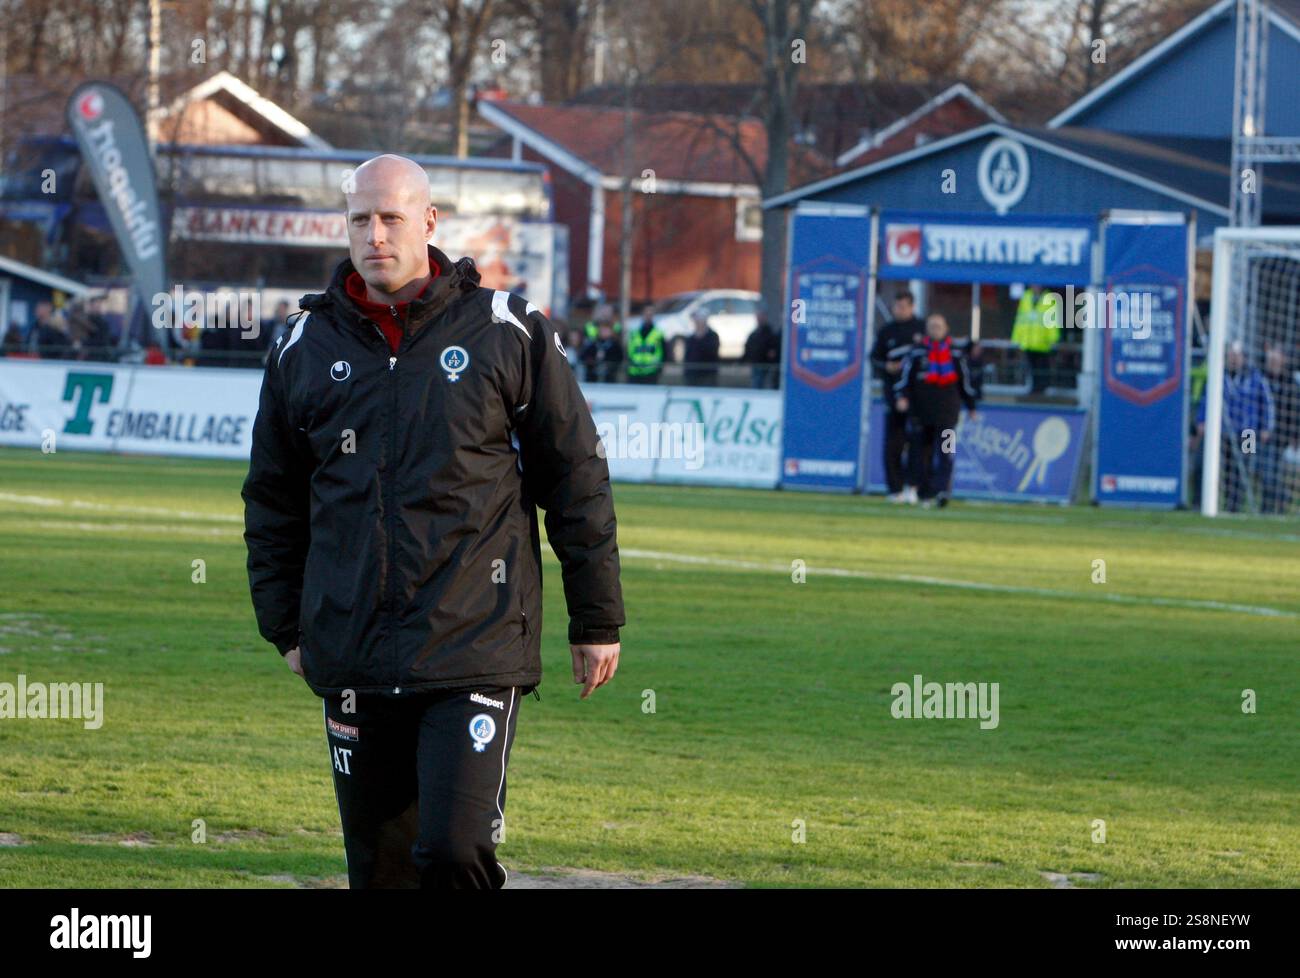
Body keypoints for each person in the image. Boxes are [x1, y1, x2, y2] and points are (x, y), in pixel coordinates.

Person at [241, 154, 624, 890]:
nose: (374, 234)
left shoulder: (507, 330)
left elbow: (576, 480)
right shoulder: (302, 346)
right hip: (351, 650)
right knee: (379, 872)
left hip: (472, 646)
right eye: (359, 219)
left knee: (451, 853)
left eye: (390, 217)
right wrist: (286, 626)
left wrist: (596, 618)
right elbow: (273, 501)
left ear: (428, 221)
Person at [893, 313, 978, 508]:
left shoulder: (956, 354)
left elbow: (966, 384)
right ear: (927, 329)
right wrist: (902, 397)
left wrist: (972, 407)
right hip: (921, 414)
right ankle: (919, 489)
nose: (935, 330)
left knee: (947, 452)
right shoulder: (917, 353)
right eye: (932, 326)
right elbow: (904, 379)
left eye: (939, 326)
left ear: (946, 328)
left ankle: (942, 490)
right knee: (919, 452)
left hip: (948, 415)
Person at [1195, 341, 1273, 513]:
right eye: (1231, 356)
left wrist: (1266, 426)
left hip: (1248, 432)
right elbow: (1205, 399)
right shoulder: (1218, 376)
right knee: (1216, 466)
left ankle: (1235, 506)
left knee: (1244, 469)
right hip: (1223, 430)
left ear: (1243, 358)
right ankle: (1202, 503)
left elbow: (1266, 404)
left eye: (1237, 356)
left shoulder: (1256, 378)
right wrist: (1201, 420)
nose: (1234, 360)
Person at [870, 289, 923, 502]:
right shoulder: (887, 331)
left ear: (912, 307)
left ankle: (916, 487)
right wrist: (887, 366)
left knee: (920, 444)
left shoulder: (921, 329)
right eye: (896, 306)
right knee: (893, 445)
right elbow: (874, 358)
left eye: (903, 306)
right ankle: (895, 489)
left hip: (918, 399)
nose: (899, 310)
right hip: (893, 397)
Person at [1261, 344, 1299, 514]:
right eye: (1271, 357)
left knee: (1270, 471)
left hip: (1277, 436)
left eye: (1277, 357)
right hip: (1250, 434)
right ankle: (1280, 498)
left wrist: (1295, 436)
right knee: (1250, 465)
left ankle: (1268, 508)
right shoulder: (1259, 378)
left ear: (1283, 360)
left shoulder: (1290, 383)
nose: (1273, 360)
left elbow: (1295, 411)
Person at [1010, 285, 1061, 393]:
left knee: (1042, 368)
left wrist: (1053, 338)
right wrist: (1016, 338)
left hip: (1043, 342)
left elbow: (1053, 319)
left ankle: (1042, 389)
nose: (1035, 287)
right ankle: (1034, 388)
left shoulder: (1049, 298)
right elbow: (1020, 318)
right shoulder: (1026, 297)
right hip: (1028, 341)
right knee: (1031, 368)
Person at [682, 310, 720, 387]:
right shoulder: (690, 337)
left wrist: (700, 339)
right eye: (695, 321)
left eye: (698, 320)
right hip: (692, 375)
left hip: (707, 375)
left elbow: (711, 353)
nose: (696, 323)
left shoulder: (713, 336)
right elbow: (687, 356)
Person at [580, 317, 624, 383]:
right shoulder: (593, 345)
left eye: (607, 330)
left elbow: (619, 359)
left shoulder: (615, 346)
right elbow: (583, 357)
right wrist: (594, 359)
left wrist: (606, 358)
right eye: (602, 329)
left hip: (610, 379)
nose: (604, 332)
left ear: (611, 331)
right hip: (592, 378)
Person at [742, 313, 780, 389]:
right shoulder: (754, 333)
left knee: (763, 383)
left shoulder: (769, 333)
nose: (759, 320)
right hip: (755, 363)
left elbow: (772, 349)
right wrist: (745, 359)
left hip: (764, 364)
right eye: (758, 318)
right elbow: (748, 347)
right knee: (756, 383)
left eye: (761, 318)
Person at [626, 316, 665, 384]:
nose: (647, 317)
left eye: (649, 314)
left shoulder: (658, 334)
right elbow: (630, 351)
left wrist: (659, 367)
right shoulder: (634, 333)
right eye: (646, 314)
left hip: (651, 372)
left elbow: (663, 351)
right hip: (635, 372)